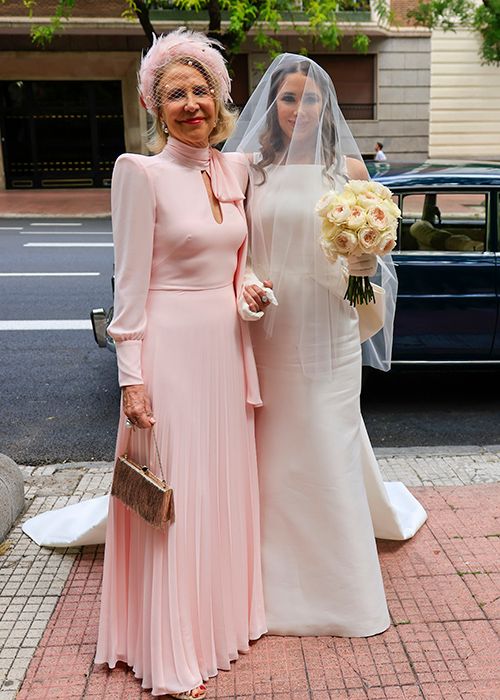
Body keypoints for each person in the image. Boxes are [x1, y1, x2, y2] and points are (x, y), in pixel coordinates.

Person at [223, 55, 427, 637]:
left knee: (327, 428)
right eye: (289, 98)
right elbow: (238, 250)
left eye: (310, 99)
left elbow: (370, 265)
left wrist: (364, 261)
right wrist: (249, 286)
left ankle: (338, 579)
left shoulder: (349, 169)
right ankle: (264, 570)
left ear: (326, 106)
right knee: (276, 436)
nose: (300, 109)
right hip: (272, 323)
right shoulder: (248, 170)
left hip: (333, 322)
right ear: (272, 105)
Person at [91, 29, 268, 697]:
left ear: (219, 97)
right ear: (154, 104)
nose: (191, 103)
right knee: (175, 493)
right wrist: (132, 376)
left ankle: (224, 622)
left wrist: (248, 287)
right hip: (169, 351)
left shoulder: (237, 168)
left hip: (224, 351)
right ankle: (171, 653)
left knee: (223, 482)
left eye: (200, 90)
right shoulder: (141, 173)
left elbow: (235, 260)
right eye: (175, 94)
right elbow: (128, 285)